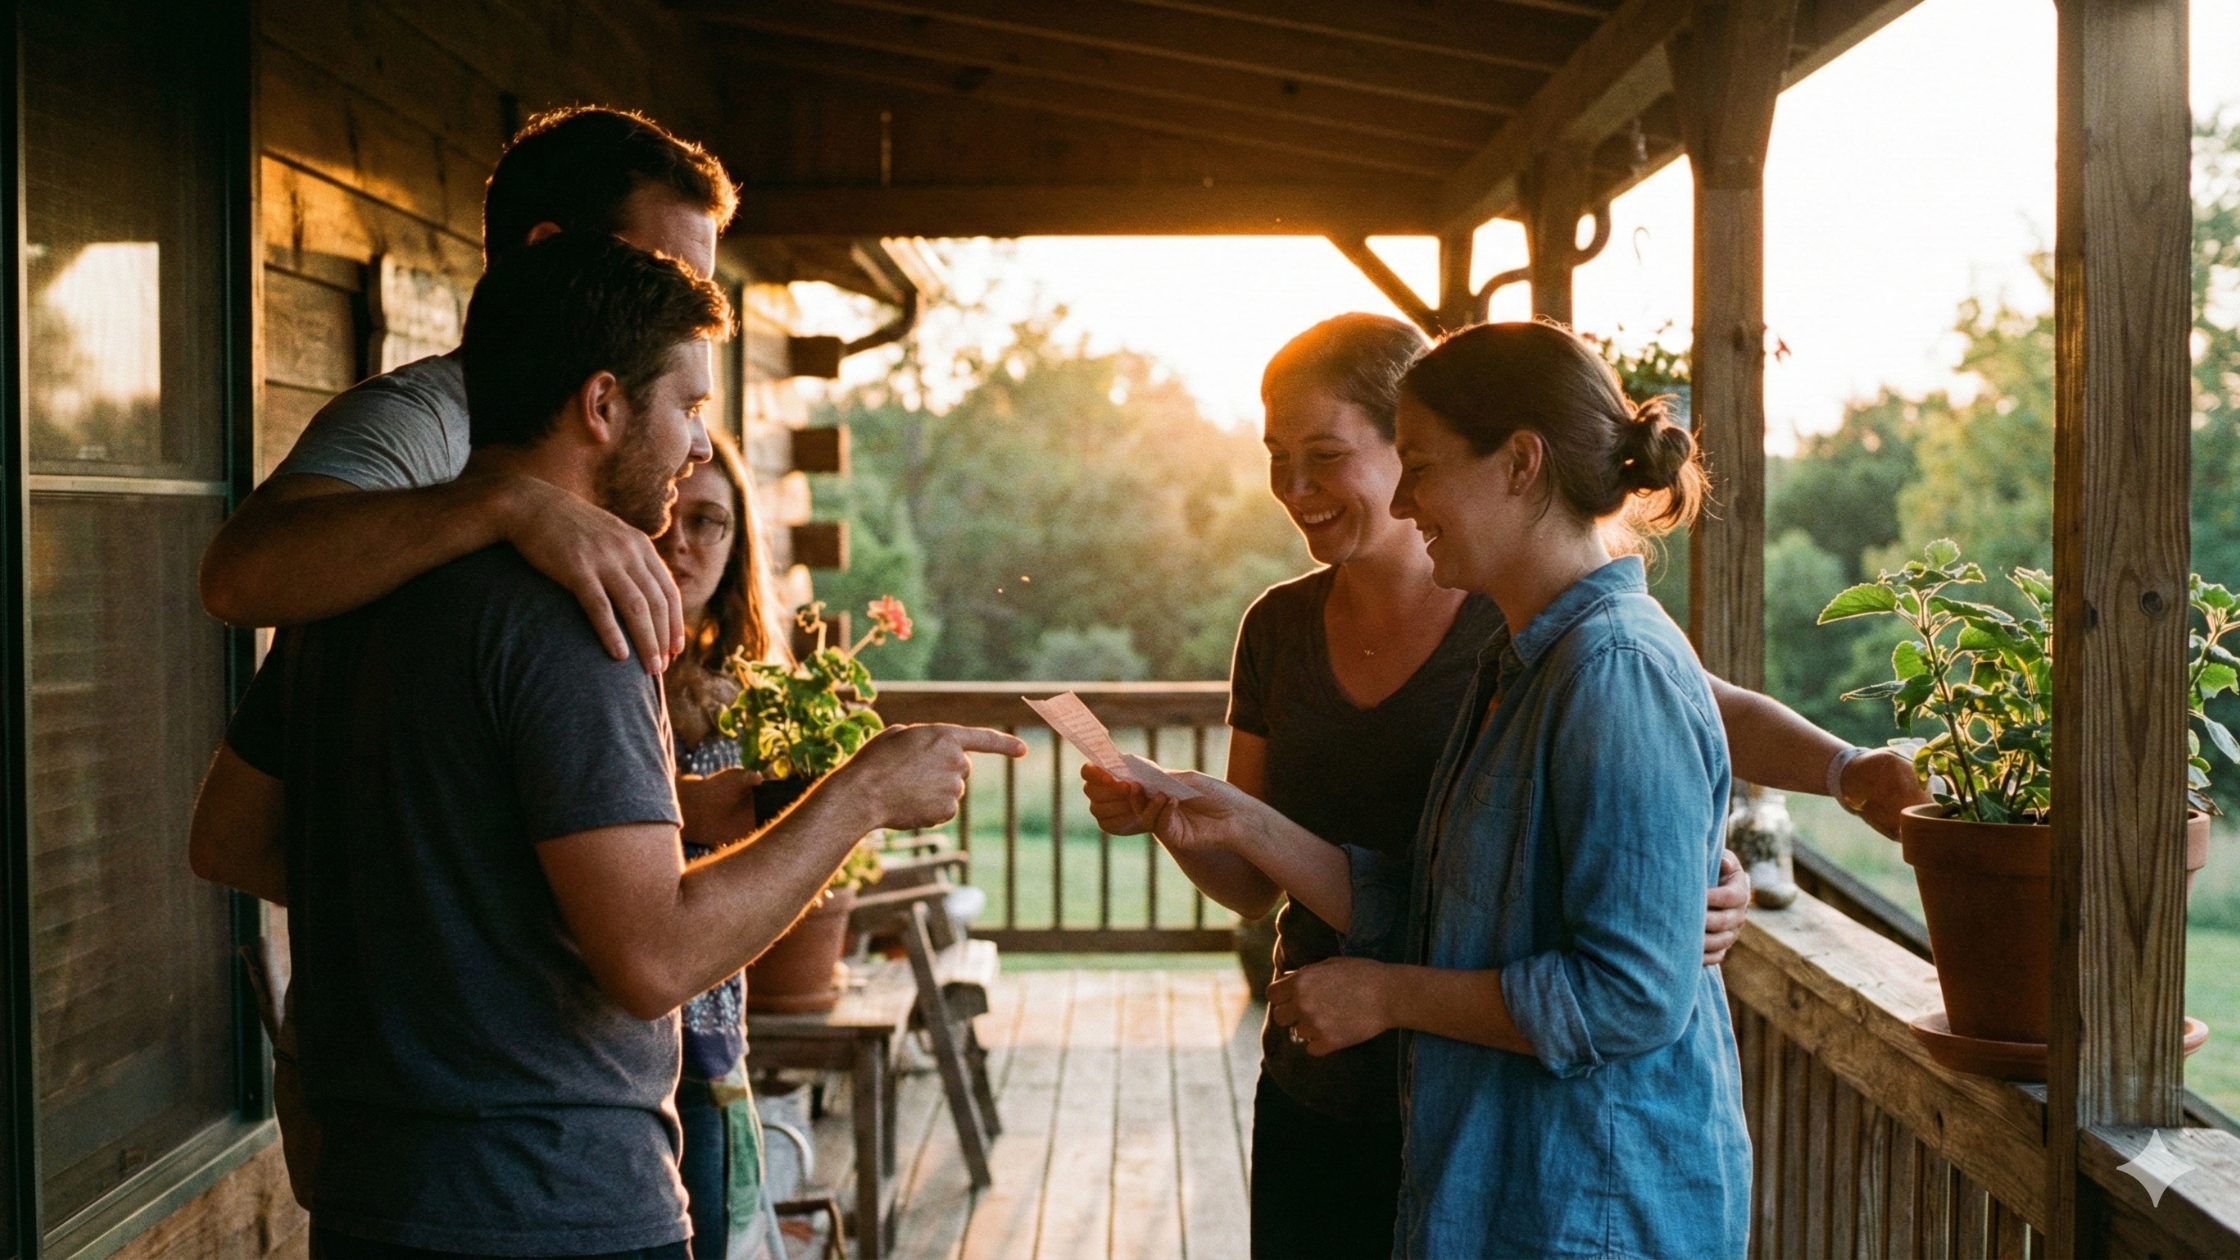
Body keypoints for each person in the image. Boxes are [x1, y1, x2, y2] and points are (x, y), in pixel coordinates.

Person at [187, 232, 1026, 1258]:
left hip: (370, 1196)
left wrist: (486, 899)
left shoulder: (342, 599)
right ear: (601, 405)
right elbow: (652, 957)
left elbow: (230, 840)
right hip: (550, 1204)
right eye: (690, 407)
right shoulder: (580, 615)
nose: (700, 446)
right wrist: (863, 795)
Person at [1084, 313, 1927, 1258]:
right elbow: (1450, 908)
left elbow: (1630, 989)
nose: (1406, 499)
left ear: (1521, 463)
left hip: (1577, 1193)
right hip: (1453, 1141)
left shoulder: (1603, 662)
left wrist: (1844, 774)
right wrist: (1231, 821)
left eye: (1418, 466)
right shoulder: (1521, 658)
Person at [199, 105, 729, 671]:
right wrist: (511, 503)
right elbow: (236, 579)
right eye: (663, 270)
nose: (685, 306)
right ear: (545, 251)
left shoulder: (629, 434)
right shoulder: (422, 416)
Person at [652, 430, 791, 1258]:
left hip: (710, 1027)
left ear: (737, 546)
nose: (680, 539)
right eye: (668, 508)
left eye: (708, 521)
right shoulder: (597, 667)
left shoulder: (758, 693)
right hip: (611, 1035)